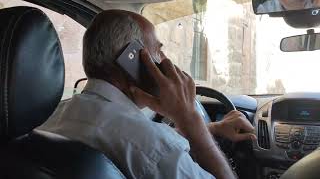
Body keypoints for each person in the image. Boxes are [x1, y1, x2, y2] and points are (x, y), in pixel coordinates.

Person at [37, 10, 256, 179]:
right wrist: (190, 119)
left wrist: (212, 129)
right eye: (158, 50)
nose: (164, 59)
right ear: (131, 59)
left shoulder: (53, 116)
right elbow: (148, 146)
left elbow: (124, 135)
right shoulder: (152, 147)